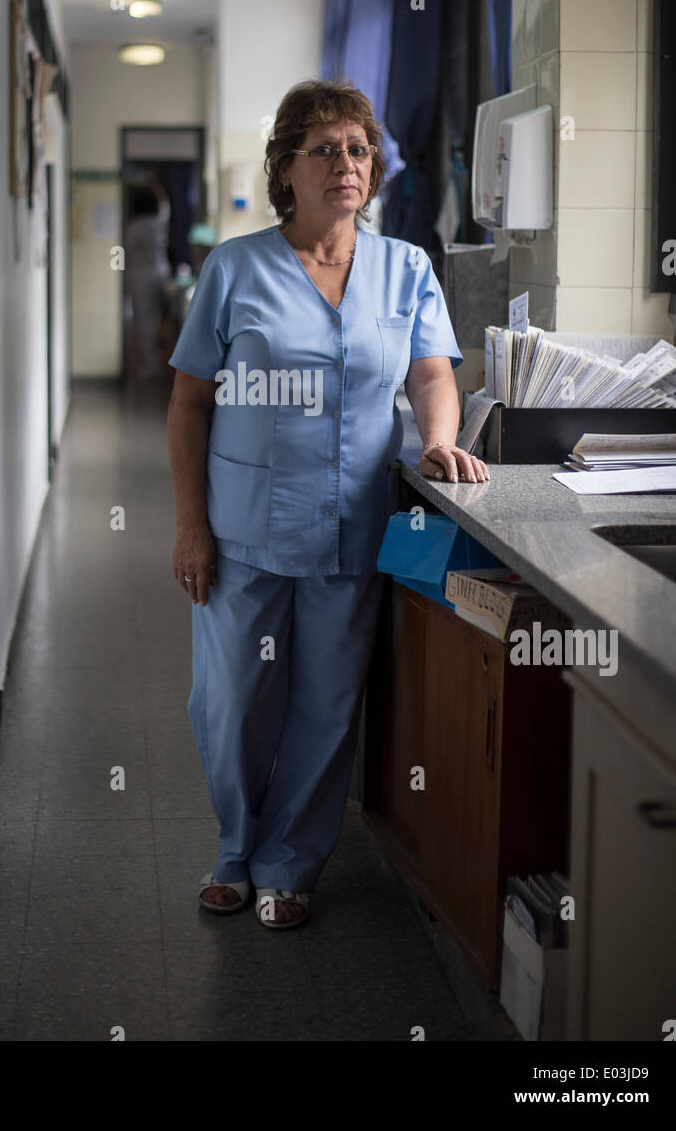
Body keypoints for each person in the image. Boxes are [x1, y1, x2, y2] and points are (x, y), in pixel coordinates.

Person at [166, 79, 489, 929]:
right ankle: (235, 846)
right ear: (286, 170)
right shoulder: (236, 267)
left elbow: (430, 373)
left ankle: (288, 864)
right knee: (232, 701)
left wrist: (435, 438)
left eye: (359, 149)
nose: (348, 164)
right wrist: (191, 525)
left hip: (353, 522)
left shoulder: (406, 266)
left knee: (327, 703)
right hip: (243, 528)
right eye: (326, 149)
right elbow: (189, 401)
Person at [124, 185, 171, 379]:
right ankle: (164, 362)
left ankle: (151, 366)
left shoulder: (133, 227)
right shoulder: (160, 221)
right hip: (162, 272)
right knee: (161, 320)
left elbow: (121, 252)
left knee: (144, 323)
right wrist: (155, 183)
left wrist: (119, 274)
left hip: (141, 277)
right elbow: (166, 205)